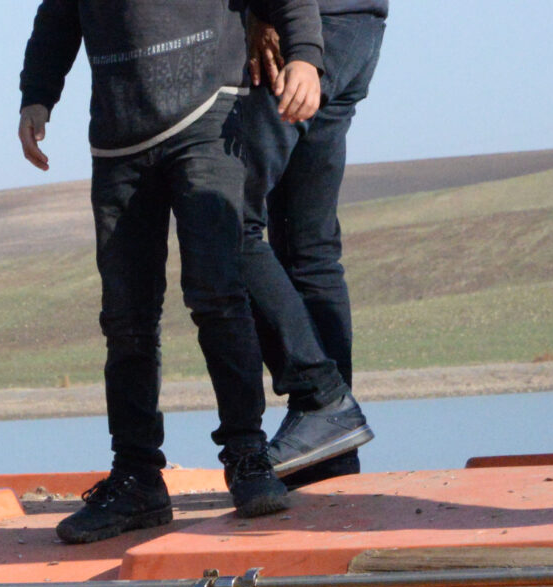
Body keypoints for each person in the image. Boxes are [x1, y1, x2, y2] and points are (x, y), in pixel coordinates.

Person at [19, 0, 326, 541]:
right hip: (118, 134)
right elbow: (58, 17)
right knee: (126, 319)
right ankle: (137, 479)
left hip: (207, 113)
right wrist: (37, 96)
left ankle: (247, 458)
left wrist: (305, 56)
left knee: (217, 295)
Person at [238, 0, 387, 484]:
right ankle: (331, 448)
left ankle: (321, 399)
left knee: (225, 220)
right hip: (359, 26)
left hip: (302, 29)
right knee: (310, 247)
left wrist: (262, 14)